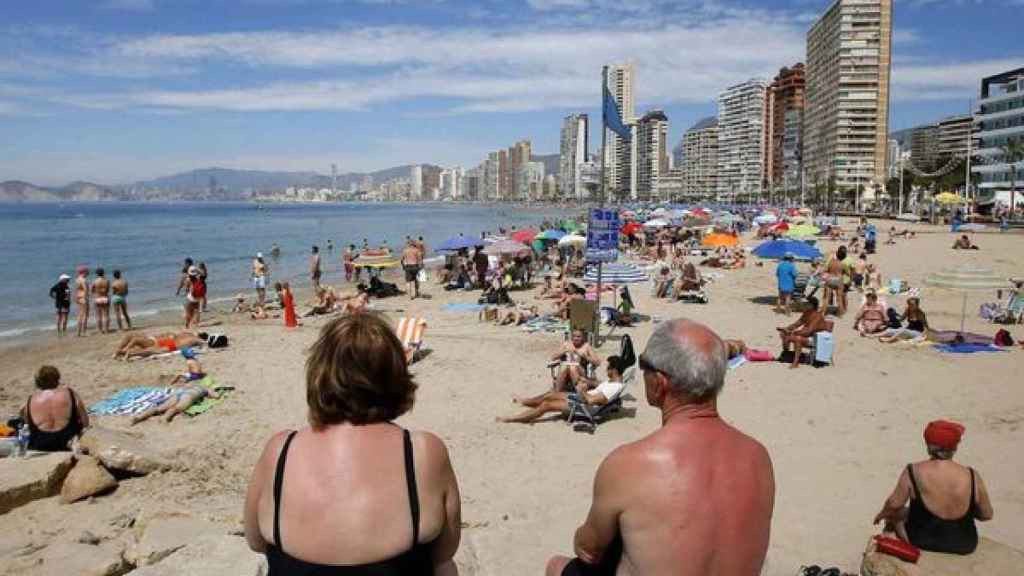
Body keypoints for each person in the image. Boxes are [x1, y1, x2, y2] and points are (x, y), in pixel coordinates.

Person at [547, 320, 774, 576]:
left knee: (557, 566)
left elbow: (588, 550)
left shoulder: (629, 463)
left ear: (659, 382)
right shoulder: (758, 457)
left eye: (643, 365)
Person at [243, 313, 462, 573]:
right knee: (445, 567)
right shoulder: (423, 451)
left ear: (319, 374)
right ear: (395, 375)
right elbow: (446, 550)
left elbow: (255, 540)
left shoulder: (280, 449)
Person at [873, 420, 993, 555]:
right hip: (964, 544)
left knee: (895, 515)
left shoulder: (914, 471)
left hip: (922, 541)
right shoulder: (972, 475)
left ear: (929, 446)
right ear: (954, 447)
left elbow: (894, 504)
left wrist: (882, 514)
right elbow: (987, 514)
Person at [498, 356, 625, 424]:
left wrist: (582, 390)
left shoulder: (614, 387)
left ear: (613, 370)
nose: (606, 370)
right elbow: (599, 384)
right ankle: (525, 402)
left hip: (584, 406)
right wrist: (587, 381)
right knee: (551, 394)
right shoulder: (613, 381)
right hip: (580, 399)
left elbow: (592, 401)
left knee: (547, 405)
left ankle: (513, 419)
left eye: (608, 368)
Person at [132, 349, 219, 425]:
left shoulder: (189, 382)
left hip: (179, 392)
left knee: (159, 408)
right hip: (189, 394)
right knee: (176, 408)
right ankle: (164, 419)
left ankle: (140, 417)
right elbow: (215, 396)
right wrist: (214, 394)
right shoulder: (203, 387)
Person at [20, 365, 89, 451]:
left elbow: (27, 424)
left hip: (41, 443)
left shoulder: (30, 399)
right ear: (57, 379)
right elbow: (85, 421)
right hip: (66, 439)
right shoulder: (70, 392)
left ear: (38, 382)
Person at [777, 295, 829, 369]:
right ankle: (786, 354)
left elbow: (808, 331)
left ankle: (796, 362)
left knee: (798, 338)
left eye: (806, 303)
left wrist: (793, 333)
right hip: (808, 336)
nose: (804, 305)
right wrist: (786, 329)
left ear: (811, 305)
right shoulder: (806, 313)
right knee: (783, 334)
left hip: (817, 339)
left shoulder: (817, 316)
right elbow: (796, 324)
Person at [112, 330, 208, 360]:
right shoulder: (191, 336)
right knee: (150, 349)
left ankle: (123, 352)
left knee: (149, 348)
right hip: (169, 344)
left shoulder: (190, 336)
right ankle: (124, 352)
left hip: (169, 344)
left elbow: (204, 343)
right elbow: (204, 343)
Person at [93, 267, 112, 334]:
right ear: (103, 273)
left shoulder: (95, 281)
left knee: (98, 315)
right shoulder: (107, 281)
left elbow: (92, 290)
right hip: (105, 297)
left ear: (97, 274)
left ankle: (100, 330)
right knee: (106, 315)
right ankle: (107, 330)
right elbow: (108, 290)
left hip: (98, 298)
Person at [74, 266, 90, 337]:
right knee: (85, 316)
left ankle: (78, 332)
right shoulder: (83, 280)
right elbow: (85, 289)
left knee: (80, 315)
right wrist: (86, 297)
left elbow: (76, 290)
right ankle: (84, 332)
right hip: (84, 298)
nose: (88, 272)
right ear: (84, 272)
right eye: (87, 271)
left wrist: (75, 298)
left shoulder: (77, 280)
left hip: (79, 297)